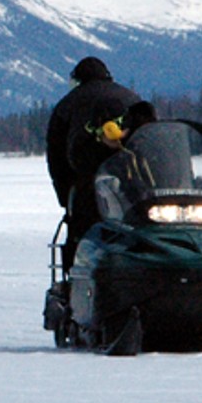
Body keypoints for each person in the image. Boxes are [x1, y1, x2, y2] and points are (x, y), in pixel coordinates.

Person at [45, 57, 141, 271]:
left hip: (86, 184)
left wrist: (66, 198)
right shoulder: (131, 98)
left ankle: (75, 285)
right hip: (134, 185)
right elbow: (152, 140)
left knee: (81, 238)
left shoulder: (68, 103)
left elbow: (56, 157)